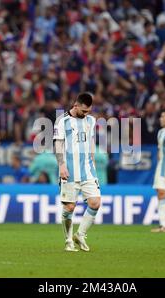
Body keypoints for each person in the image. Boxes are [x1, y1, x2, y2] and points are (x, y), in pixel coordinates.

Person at [54, 92, 101, 252]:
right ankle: (68, 241)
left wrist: (93, 165)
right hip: (70, 171)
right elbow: (58, 144)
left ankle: (80, 234)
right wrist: (61, 165)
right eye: (84, 111)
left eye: (89, 111)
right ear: (76, 105)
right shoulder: (62, 121)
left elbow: (91, 143)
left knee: (95, 203)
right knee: (69, 208)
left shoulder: (91, 120)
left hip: (88, 170)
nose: (86, 114)